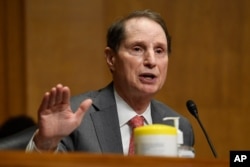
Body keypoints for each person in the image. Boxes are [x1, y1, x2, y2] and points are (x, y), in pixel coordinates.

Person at [26, 9, 194, 154]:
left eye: (159, 51)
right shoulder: (75, 118)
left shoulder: (179, 126)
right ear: (111, 59)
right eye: (137, 49)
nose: (151, 61)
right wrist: (46, 144)